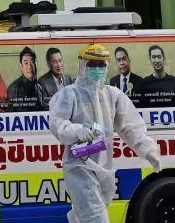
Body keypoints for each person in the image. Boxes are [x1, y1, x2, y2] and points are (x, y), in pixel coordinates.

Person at [48, 44, 162, 223]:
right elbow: (57, 122)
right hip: (79, 166)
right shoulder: (69, 95)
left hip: (105, 168)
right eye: (93, 64)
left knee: (83, 215)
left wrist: (147, 149)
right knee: (95, 217)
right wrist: (77, 131)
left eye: (102, 65)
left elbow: (128, 126)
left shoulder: (113, 95)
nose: (98, 69)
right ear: (83, 65)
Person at [7, 47, 49, 111]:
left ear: (36, 64)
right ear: (21, 66)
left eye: (32, 62)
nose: (29, 67)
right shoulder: (14, 88)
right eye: (26, 63)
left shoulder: (39, 87)